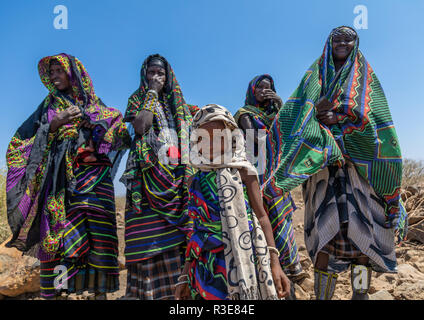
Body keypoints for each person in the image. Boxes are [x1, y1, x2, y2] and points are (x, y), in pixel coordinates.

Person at [264, 26, 404, 300]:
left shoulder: (366, 79)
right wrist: (316, 114)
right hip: (323, 171)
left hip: (358, 172)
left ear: (356, 42)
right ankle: (323, 296)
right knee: (324, 237)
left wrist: (340, 118)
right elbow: (298, 113)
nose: (341, 43)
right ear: (329, 43)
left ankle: (360, 294)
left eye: (347, 39)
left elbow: (374, 121)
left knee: (363, 239)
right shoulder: (314, 76)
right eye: (336, 39)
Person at [5, 53, 130, 300]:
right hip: (62, 187)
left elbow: (119, 139)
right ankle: (59, 294)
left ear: (73, 73)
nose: (53, 77)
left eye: (58, 71)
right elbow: (19, 144)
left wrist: (98, 125)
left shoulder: (96, 105)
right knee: (61, 242)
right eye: (50, 73)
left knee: (100, 242)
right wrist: (54, 125)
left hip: (97, 186)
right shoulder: (49, 107)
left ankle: (99, 294)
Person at [175, 104, 291, 300]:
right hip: (206, 265)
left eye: (218, 136)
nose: (211, 144)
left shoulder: (244, 172)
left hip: (246, 260)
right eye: (203, 138)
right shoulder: (194, 180)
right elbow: (195, 231)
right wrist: (185, 275)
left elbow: (262, 217)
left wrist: (274, 262)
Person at [121, 54, 199, 300]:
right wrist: (151, 94)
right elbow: (141, 127)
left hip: (177, 178)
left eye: (160, 74)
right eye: (151, 73)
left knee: (179, 242)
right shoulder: (138, 99)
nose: (155, 77)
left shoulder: (180, 105)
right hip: (147, 181)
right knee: (148, 242)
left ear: (168, 77)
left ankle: (182, 293)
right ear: (144, 75)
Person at [234, 75, 303, 282]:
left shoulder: (276, 113)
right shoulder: (244, 113)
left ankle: (290, 270)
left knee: (282, 219)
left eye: (268, 87)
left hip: (276, 175)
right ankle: (265, 271)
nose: (264, 90)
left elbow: (290, 131)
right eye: (260, 87)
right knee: (262, 218)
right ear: (252, 90)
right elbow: (256, 138)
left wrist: (279, 104)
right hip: (257, 175)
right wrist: (278, 131)